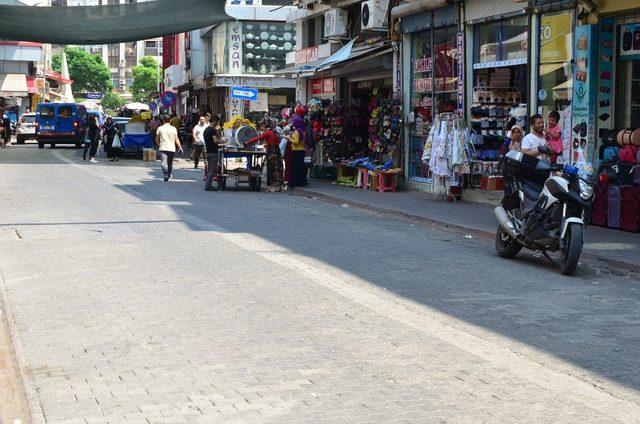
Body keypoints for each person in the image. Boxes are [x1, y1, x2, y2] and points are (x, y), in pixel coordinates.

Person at [246, 119, 284, 192]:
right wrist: (268, 143)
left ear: (265, 125)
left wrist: (247, 142)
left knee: (272, 168)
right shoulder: (274, 131)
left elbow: (257, 138)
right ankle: (281, 187)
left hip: (271, 152)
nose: (261, 127)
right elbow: (277, 141)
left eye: (262, 125)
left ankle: (272, 187)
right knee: (279, 167)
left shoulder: (268, 132)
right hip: (277, 150)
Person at [156, 114, 183, 181]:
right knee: (170, 163)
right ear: (170, 120)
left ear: (163, 120)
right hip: (171, 148)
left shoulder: (160, 128)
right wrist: (180, 147)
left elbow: (156, 139)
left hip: (163, 148)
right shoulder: (173, 128)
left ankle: (165, 174)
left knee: (163, 162)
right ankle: (169, 174)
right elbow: (176, 139)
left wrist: (159, 145)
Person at [284, 115, 308, 188]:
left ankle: (295, 182)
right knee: (300, 167)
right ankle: (300, 181)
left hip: (296, 150)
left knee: (295, 168)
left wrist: (289, 138)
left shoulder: (297, 131)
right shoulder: (304, 131)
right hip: (302, 150)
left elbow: (296, 141)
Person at [203, 115, 224, 191]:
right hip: (213, 152)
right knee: (212, 170)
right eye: (217, 121)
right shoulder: (212, 130)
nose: (218, 123)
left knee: (209, 170)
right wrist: (224, 141)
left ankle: (208, 185)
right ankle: (208, 186)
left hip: (208, 152)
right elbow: (215, 141)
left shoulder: (206, 130)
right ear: (214, 121)